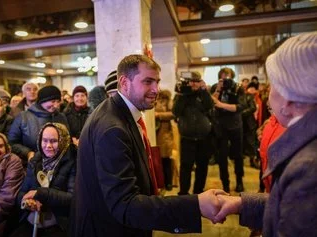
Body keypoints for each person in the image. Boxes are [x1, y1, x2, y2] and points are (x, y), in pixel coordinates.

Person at [74, 54, 226, 237]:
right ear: (124, 82)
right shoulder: (112, 128)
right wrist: (196, 204)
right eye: (148, 82)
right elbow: (125, 205)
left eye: (157, 82)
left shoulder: (119, 114)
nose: (156, 89)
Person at [215, 32, 317, 236]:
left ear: (288, 100)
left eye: (273, 86)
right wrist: (243, 204)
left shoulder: (307, 170)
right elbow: (287, 204)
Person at [10, 123, 76, 237]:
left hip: (57, 224)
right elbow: (22, 193)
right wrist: (26, 202)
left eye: (54, 141)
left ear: (63, 141)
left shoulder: (72, 162)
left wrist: (40, 194)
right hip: (31, 221)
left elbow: (72, 199)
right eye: (44, 140)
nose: (48, 145)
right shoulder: (35, 161)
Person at [172, 72, 213, 195]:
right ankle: (184, 192)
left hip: (204, 137)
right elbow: (176, 112)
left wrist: (204, 91)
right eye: (191, 81)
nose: (194, 83)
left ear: (201, 82)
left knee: (202, 166)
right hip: (187, 137)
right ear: (187, 82)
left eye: (197, 81)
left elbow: (209, 106)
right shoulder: (181, 95)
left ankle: (198, 191)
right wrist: (183, 95)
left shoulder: (203, 94)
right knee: (186, 166)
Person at [8, 85, 68, 164]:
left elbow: (67, 139)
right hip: (32, 163)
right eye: (53, 101)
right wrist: (27, 153)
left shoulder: (61, 117)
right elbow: (12, 142)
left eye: (58, 101)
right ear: (42, 101)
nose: (56, 105)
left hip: (59, 163)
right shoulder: (23, 117)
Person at [211, 68, 247, 192]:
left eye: (228, 77)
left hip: (236, 125)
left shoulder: (238, 88)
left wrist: (221, 105)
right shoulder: (216, 87)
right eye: (222, 77)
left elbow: (241, 107)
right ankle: (225, 183)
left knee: (238, 155)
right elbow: (211, 102)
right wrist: (218, 89)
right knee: (222, 157)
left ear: (232, 77)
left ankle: (239, 181)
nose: (225, 79)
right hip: (220, 126)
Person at [155, 89, 175, 191]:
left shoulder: (166, 98)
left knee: (165, 159)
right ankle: (159, 182)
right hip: (152, 132)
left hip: (164, 133)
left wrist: (159, 115)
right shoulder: (151, 98)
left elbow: (173, 114)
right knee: (156, 160)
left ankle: (168, 182)